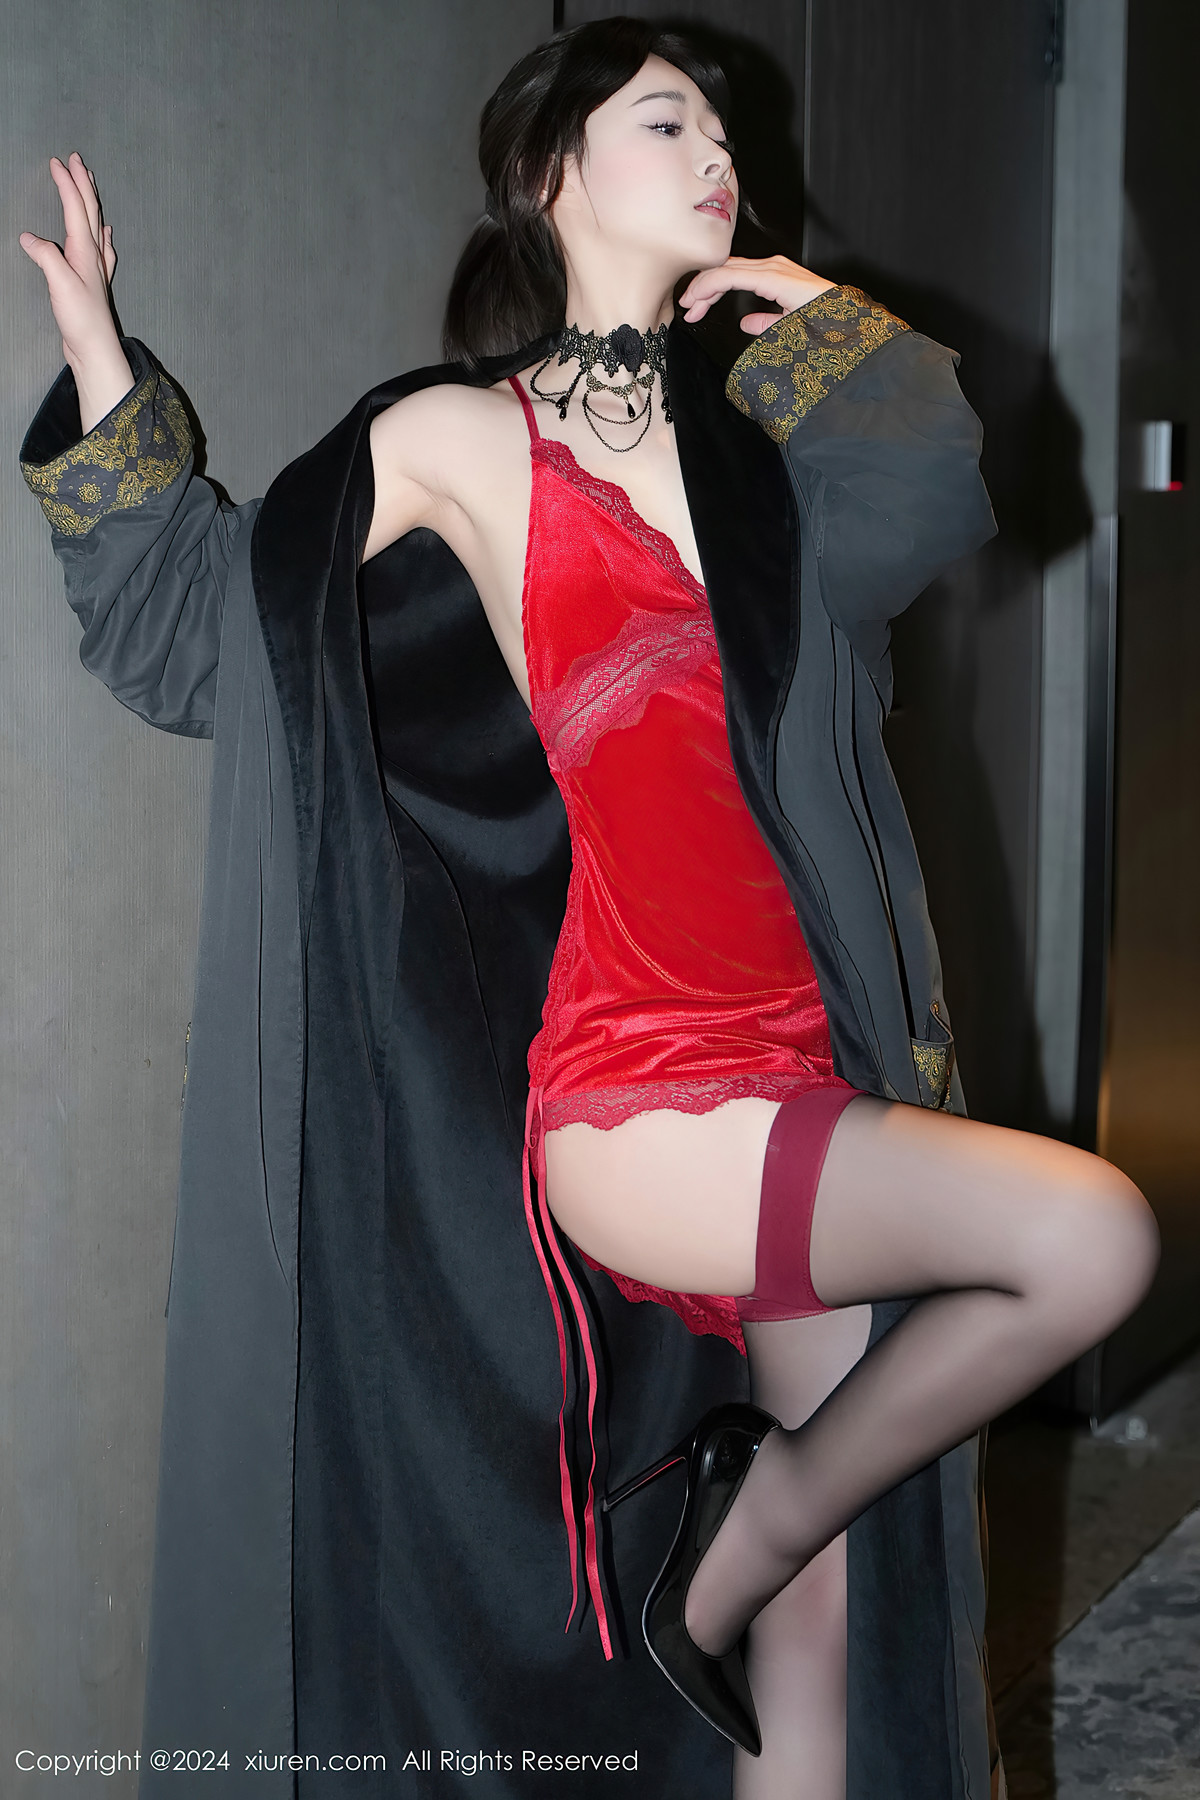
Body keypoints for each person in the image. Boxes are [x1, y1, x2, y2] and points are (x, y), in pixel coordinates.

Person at [18, 17, 1158, 1800]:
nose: (717, 155)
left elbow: (933, 503)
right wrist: (101, 364)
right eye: (668, 121)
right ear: (552, 172)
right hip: (647, 1098)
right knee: (1088, 1237)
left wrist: (820, 324)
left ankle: (752, 1541)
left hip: (810, 1068)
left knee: (818, 1635)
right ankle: (737, 1525)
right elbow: (201, 638)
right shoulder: (457, 439)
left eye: (723, 133)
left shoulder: (765, 456)